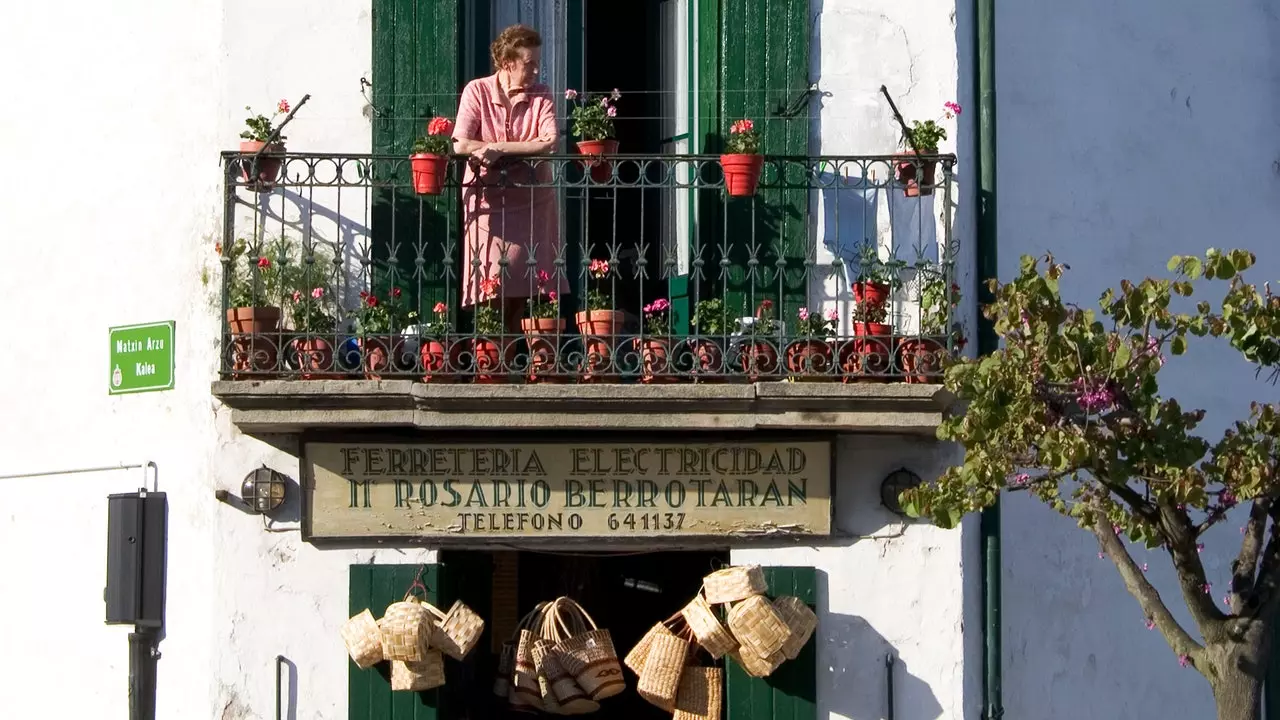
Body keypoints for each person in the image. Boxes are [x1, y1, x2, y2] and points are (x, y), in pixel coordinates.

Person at [452, 24, 563, 332]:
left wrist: (497, 148)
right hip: (487, 200)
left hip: (532, 199)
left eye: (537, 63)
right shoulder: (477, 90)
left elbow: (549, 142)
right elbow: (460, 143)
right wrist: (520, 149)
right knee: (490, 280)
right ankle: (493, 357)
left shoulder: (541, 94)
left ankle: (518, 356)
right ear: (507, 64)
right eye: (529, 64)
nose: (536, 71)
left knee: (529, 282)